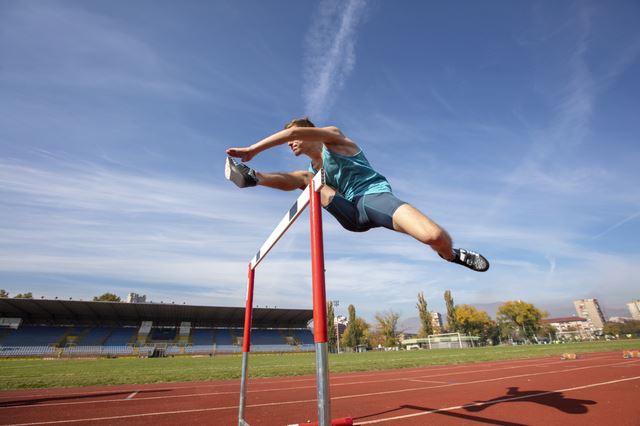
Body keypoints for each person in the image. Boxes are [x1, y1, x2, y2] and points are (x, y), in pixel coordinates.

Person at [225, 117, 489, 272]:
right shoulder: (314, 170)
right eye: (289, 140)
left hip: (374, 199)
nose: (291, 142)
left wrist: (253, 149)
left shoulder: (335, 139)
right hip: (350, 214)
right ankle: (253, 177)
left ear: (309, 132)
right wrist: (255, 169)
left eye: (293, 137)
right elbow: (296, 180)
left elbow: (293, 131)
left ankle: (452, 255)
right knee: (306, 179)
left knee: (434, 236)